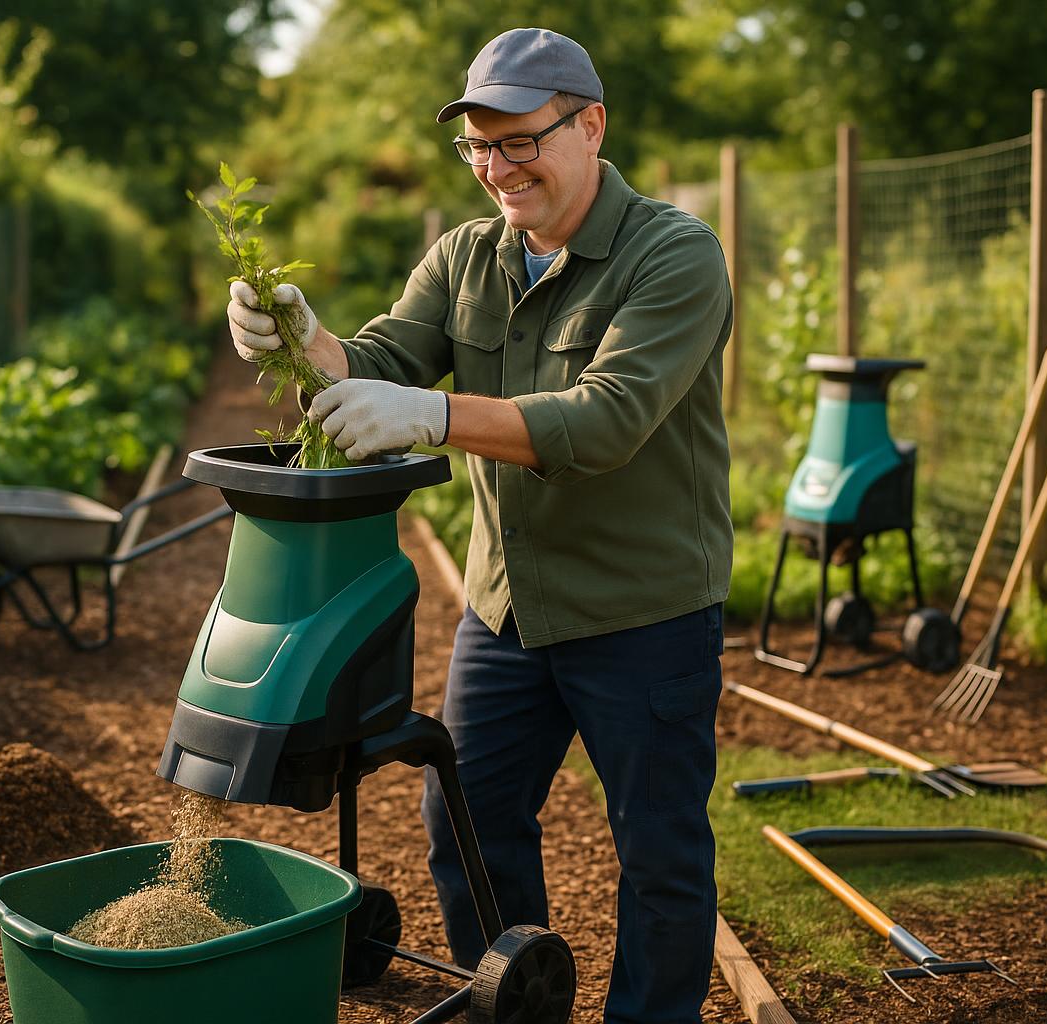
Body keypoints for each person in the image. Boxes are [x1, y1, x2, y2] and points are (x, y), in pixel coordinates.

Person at [226, 26, 732, 1024]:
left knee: (659, 853)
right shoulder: (466, 256)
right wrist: (301, 335)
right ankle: (518, 1006)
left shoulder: (674, 256)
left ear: (591, 125)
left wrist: (438, 417)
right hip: (506, 608)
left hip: (645, 613)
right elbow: (382, 362)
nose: (498, 171)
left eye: (520, 142)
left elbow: (608, 420)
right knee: (467, 822)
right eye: (480, 148)